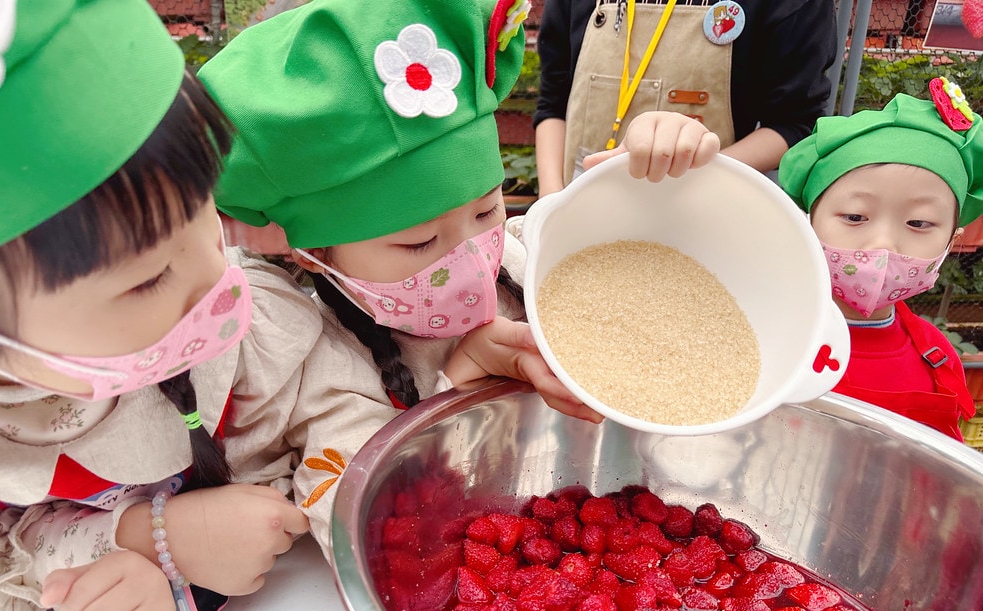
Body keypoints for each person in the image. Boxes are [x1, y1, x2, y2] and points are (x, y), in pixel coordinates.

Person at [0, 0, 399, 611]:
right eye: (146, 277)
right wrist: (133, 542)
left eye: (206, 214)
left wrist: (354, 510)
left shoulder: (234, 319)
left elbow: (330, 398)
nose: (217, 276)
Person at [197, 0, 720, 539]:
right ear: (313, 255)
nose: (469, 254)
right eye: (419, 242)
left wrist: (655, 177)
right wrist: (459, 384)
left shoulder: (535, 259)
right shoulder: (329, 378)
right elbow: (377, 533)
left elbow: (672, 297)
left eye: (487, 210)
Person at [778, 83, 983, 441]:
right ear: (807, 222)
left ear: (953, 240)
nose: (883, 243)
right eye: (855, 217)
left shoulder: (938, 360)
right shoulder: (766, 328)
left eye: (918, 223)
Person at [533, 0, 838, 196]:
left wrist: (690, 180)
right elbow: (553, 101)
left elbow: (793, 122)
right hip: (579, 199)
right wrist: (552, 199)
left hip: (700, 209)